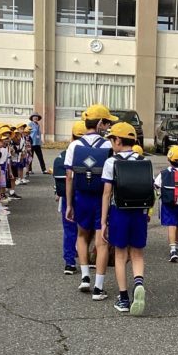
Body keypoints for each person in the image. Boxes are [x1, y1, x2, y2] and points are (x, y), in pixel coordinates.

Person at [65, 104, 118, 300]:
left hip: (81, 196)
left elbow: (69, 177)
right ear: (100, 123)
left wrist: (69, 204)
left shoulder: (74, 145)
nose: (108, 126)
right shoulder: (108, 146)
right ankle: (98, 287)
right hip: (101, 197)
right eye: (107, 122)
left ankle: (85, 276)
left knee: (81, 235)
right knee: (101, 241)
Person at [100, 122, 148, 315]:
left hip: (119, 211)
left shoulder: (111, 162)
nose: (111, 143)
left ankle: (124, 298)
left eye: (112, 139)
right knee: (137, 253)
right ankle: (139, 283)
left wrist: (103, 221)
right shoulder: (143, 160)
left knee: (120, 255)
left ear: (118, 140)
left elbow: (106, 193)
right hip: (139, 211)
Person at [53, 120, 87, 275]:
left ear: (72, 136)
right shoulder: (92, 153)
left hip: (68, 194)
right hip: (87, 194)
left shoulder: (64, 154)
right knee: (87, 229)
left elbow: (65, 177)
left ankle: (69, 262)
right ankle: (87, 260)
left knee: (69, 229)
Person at [156, 145, 178, 263]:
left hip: (168, 203)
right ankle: (177, 244)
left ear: (168, 158)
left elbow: (156, 185)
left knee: (172, 224)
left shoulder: (163, 173)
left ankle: (172, 249)